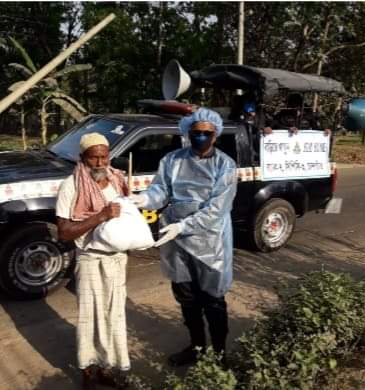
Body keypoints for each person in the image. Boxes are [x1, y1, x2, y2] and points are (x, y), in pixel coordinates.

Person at [130, 108, 238, 366]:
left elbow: (216, 209)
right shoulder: (172, 160)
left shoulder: (225, 165)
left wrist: (183, 226)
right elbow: (161, 189)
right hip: (176, 242)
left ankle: (221, 354)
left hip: (210, 242)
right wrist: (145, 198)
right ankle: (197, 347)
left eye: (206, 133)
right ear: (188, 133)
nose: (201, 137)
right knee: (187, 299)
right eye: (196, 132)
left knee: (212, 300)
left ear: (215, 135)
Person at [56, 132, 130, 389]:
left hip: (117, 259)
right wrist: (100, 217)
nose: (100, 163)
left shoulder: (117, 180)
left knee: (114, 315)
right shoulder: (71, 186)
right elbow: (64, 232)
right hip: (89, 259)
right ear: (82, 158)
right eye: (93, 157)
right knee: (90, 316)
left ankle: (107, 369)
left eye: (104, 156)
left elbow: (125, 215)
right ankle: (87, 371)